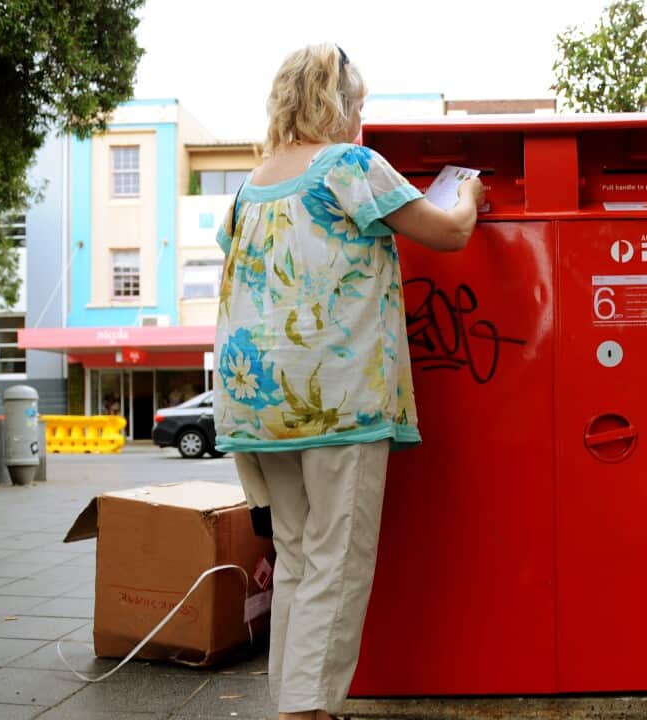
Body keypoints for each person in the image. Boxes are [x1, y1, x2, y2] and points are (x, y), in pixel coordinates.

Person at [212, 43, 484, 720]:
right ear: (330, 102)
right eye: (356, 104)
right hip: (337, 398)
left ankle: (290, 704)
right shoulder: (350, 165)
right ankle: (308, 713)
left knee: (300, 556)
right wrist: (471, 193)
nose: (360, 118)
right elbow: (448, 233)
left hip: (255, 405)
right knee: (338, 558)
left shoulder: (249, 185)